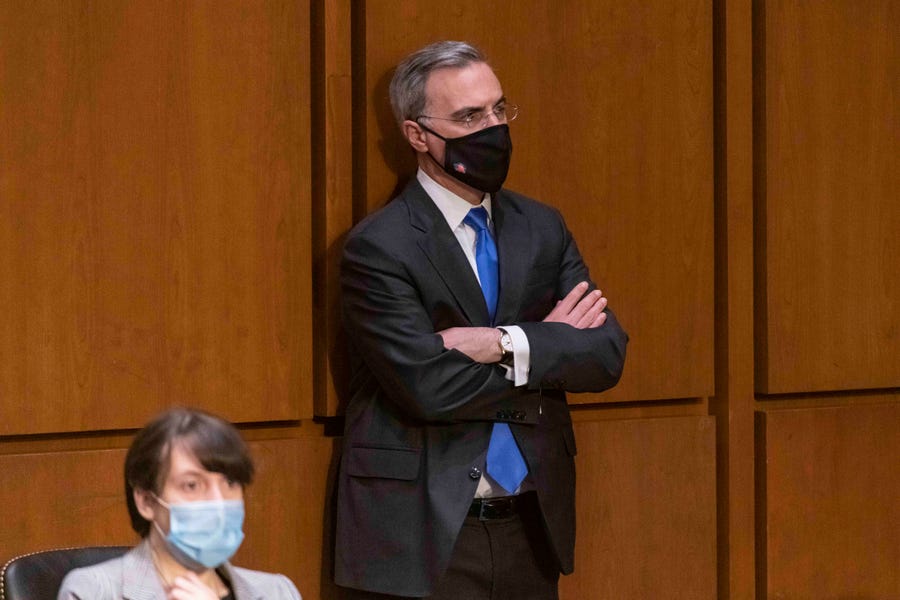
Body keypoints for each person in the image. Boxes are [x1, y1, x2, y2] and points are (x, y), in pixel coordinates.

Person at [335, 41, 628, 599]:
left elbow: (606, 353)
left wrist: (501, 342)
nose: (492, 128)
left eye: (498, 110)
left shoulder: (542, 226)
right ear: (418, 135)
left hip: (532, 525)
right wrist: (548, 351)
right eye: (469, 117)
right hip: (426, 534)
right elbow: (428, 386)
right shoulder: (379, 246)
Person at [58, 407, 302, 600]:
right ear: (146, 502)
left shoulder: (277, 592)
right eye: (192, 485)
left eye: (229, 483)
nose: (217, 502)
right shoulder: (93, 592)